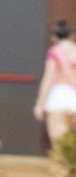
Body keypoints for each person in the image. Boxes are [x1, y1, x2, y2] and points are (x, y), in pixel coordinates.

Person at [35, 19, 76, 147]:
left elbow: (48, 79)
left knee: (60, 148)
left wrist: (39, 104)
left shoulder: (54, 52)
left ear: (54, 37)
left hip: (59, 98)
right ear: (71, 35)